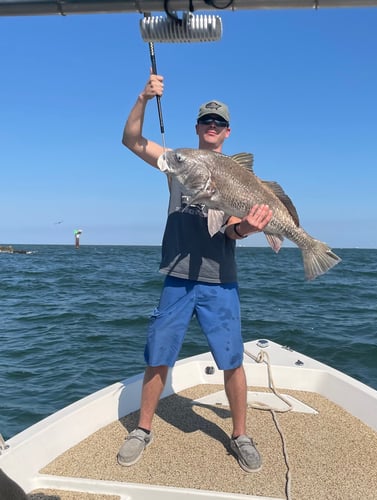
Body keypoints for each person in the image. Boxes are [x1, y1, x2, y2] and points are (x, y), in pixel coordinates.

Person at [117, 73, 273, 473]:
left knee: (232, 359)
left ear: (227, 131)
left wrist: (251, 228)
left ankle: (240, 434)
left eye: (218, 123)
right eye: (206, 121)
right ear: (198, 127)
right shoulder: (178, 160)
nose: (212, 126)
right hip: (178, 275)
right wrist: (143, 97)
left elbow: (232, 229)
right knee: (158, 355)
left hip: (220, 280)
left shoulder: (240, 176)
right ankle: (142, 428)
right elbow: (131, 140)